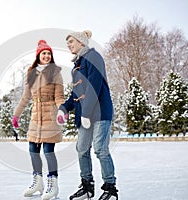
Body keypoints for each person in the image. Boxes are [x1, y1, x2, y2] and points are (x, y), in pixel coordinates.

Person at [57, 30, 119, 200]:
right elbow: (76, 94)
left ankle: (110, 188)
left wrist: (85, 112)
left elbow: (94, 86)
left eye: (71, 41)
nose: (69, 44)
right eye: (67, 42)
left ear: (81, 42)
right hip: (85, 115)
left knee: (100, 149)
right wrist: (64, 107)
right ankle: (87, 187)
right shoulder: (76, 66)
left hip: (99, 112)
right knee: (81, 149)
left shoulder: (94, 57)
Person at [12, 40, 65, 199]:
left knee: (49, 151)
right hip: (36, 115)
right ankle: (38, 182)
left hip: (50, 114)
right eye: (44, 53)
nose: (47, 56)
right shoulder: (31, 74)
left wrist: (62, 111)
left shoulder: (56, 73)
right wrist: (17, 114)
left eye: (49, 53)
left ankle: (53, 184)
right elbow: (25, 97)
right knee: (33, 151)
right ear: (38, 56)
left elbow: (59, 97)